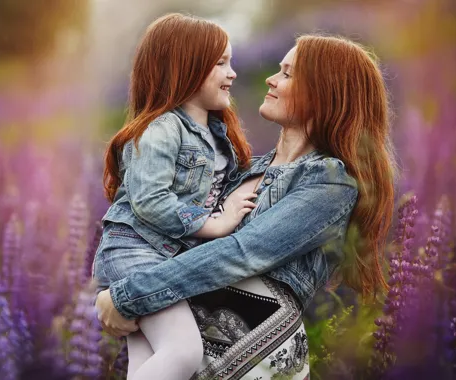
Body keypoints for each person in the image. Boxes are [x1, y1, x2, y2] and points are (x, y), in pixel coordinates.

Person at [96, 34, 397, 380]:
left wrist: (127, 296)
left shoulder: (330, 181)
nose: (270, 79)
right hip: (193, 356)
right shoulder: (243, 168)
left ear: (323, 92)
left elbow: (242, 252)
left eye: (287, 74)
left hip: (259, 359)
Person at [93, 13, 257, 380]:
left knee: (147, 365)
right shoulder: (160, 130)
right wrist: (215, 224)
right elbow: (150, 201)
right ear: (186, 68)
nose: (232, 73)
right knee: (183, 352)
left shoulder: (217, 133)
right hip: (135, 252)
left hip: (164, 257)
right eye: (220, 63)